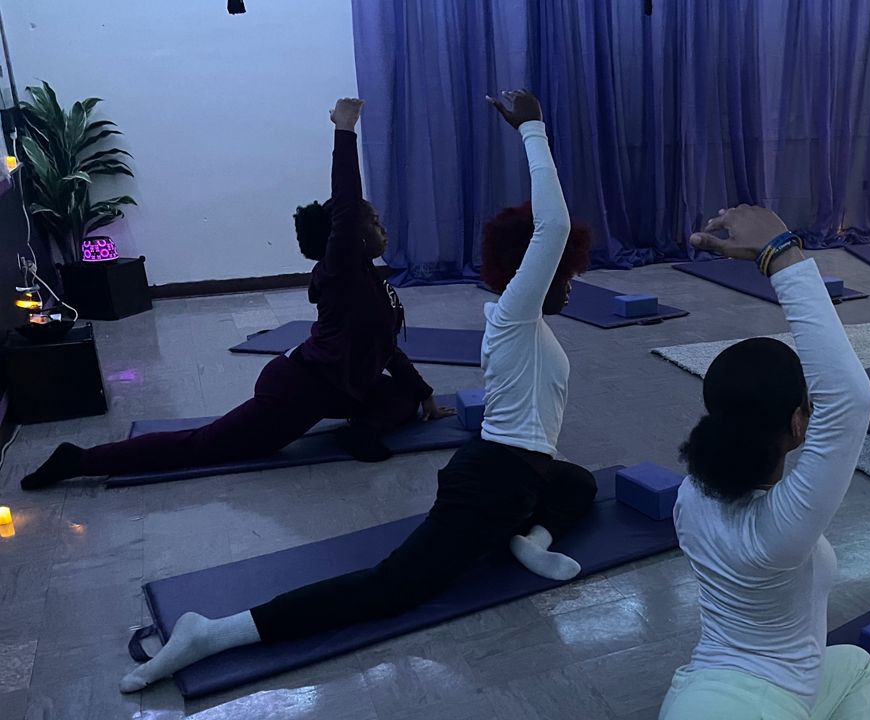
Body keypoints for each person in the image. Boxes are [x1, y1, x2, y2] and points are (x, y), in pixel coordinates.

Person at [116, 89, 599, 693]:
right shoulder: (514, 317)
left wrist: (420, 392)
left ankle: (532, 536)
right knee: (390, 588)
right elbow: (550, 226)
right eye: (568, 273)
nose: (575, 284)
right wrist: (533, 128)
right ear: (536, 270)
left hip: (521, 475)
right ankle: (213, 632)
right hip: (491, 481)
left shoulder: (527, 325)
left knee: (578, 482)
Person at [21, 98, 451, 491]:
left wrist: (425, 393)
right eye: (373, 222)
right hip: (299, 389)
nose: (383, 228)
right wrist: (344, 130)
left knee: (404, 397)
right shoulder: (342, 272)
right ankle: (78, 459)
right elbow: (345, 201)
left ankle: (364, 430)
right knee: (204, 444)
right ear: (351, 236)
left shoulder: (374, 281)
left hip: (346, 388)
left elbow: (386, 347)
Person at [660, 205, 870, 720]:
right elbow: (850, 400)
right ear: (799, 424)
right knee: (856, 670)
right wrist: (781, 254)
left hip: (699, 692)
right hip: (763, 709)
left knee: (855, 663)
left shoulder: (690, 495)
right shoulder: (780, 531)